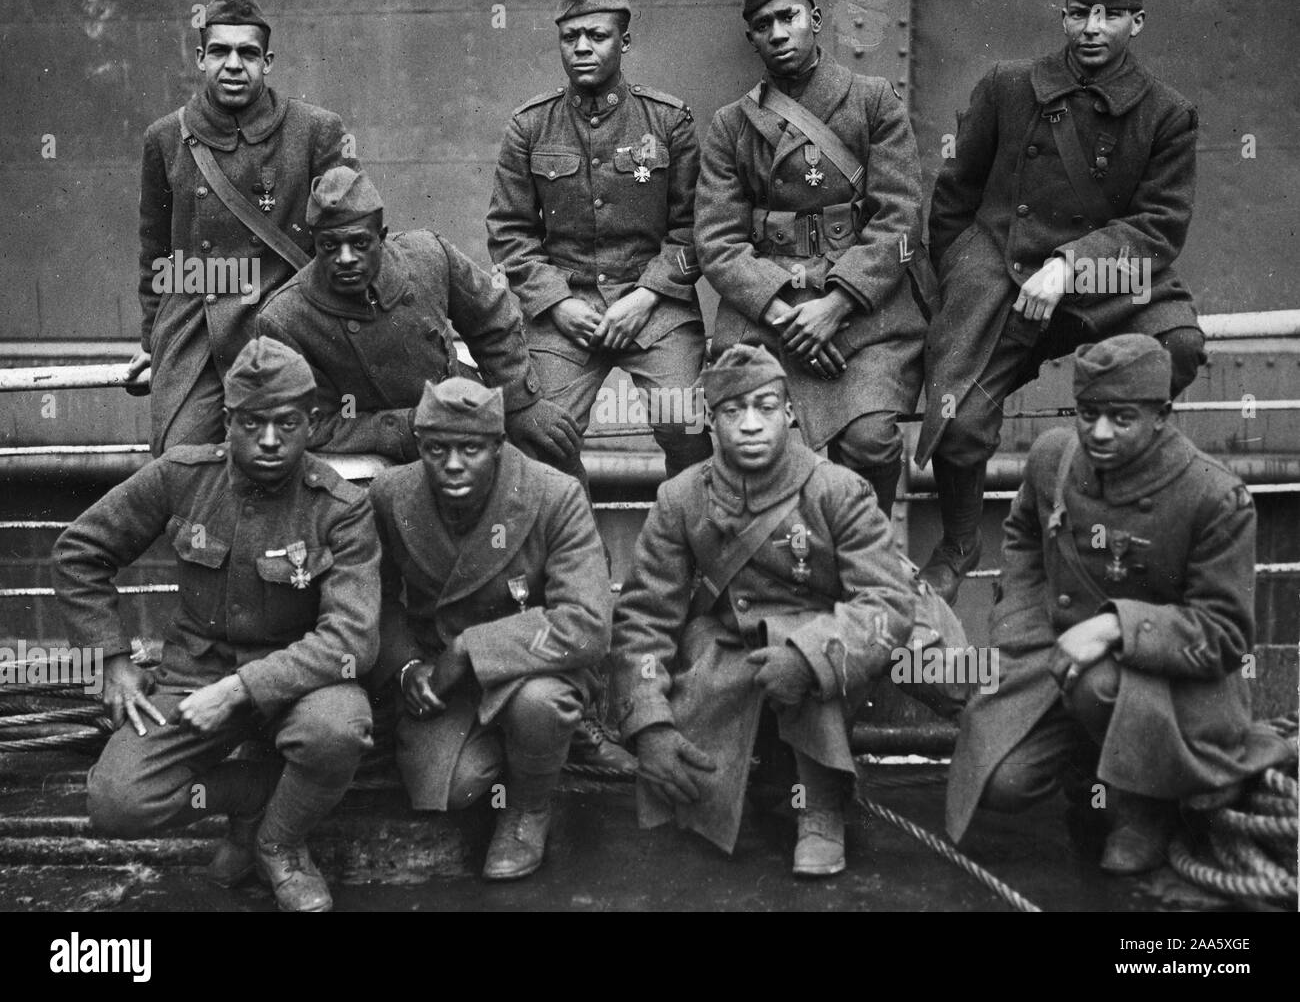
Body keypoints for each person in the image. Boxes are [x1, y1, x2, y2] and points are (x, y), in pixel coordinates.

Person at [916, 0, 1206, 602]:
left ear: (1138, 21)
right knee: (958, 420)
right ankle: (960, 540)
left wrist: (1071, 266)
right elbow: (954, 197)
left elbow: (1158, 227)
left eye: (1109, 14)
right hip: (1003, 272)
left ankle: (1098, 498)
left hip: (1104, 278)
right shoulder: (1008, 87)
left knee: (1177, 346)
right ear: (1064, 14)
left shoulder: (1166, 114)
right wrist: (965, 280)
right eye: (1080, 12)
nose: (1092, 29)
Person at [54, 337, 381, 912]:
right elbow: (80, 551)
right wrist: (114, 661)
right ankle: (254, 800)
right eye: (253, 424)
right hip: (191, 679)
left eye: (287, 423)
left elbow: (352, 640)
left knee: (337, 728)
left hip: (297, 686)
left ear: (312, 421)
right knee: (118, 803)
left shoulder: (340, 507)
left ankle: (281, 844)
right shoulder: (182, 477)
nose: (271, 440)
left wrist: (240, 690)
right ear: (228, 421)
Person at [946, 335, 1291, 872]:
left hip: (1170, 685)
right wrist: (1019, 624)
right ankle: (1094, 771)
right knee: (1001, 783)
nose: (1099, 432)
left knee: (1098, 682)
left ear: (1162, 415)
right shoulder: (1054, 458)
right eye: (1089, 414)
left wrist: (1114, 628)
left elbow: (1223, 634)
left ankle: (1145, 808)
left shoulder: (1214, 497)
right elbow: (1022, 535)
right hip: (1057, 656)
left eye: (1122, 418)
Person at [610, 345, 914, 875]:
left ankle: (821, 809)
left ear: (790, 413)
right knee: (691, 809)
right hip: (728, 647)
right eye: (733, 410)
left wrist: (810, 658)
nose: (751, 424)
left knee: (807, 648)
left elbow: (887, 602)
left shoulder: (836, 489)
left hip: (825, 641)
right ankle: (772, 779)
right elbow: (644, 618)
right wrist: (648, 722)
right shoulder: (681, 498)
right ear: (711, 418)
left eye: (766, 407)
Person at [695, 0, 933, 519]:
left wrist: (838, 304)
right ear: (751, 37)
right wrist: (782, 313)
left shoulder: (873, 101)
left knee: (870, 441)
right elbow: (716, 239)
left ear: (815, 21)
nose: (778, 33)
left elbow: (899, 219)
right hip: (769, 314)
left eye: (789, 17)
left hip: (864, 311)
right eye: (763, 24)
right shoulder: (732, 125)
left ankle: (865, 548)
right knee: (757, 447)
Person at [368, 377, 612, 879]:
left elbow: (586, 624)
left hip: (534, 667)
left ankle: (528, 808)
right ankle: (526, 750)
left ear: (499, 447)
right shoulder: (391, 494)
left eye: (471, 449)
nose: (453, 465)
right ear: (420, 446)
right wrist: (406, 665)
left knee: (539, 705)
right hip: (441, 680)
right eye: (437, 449)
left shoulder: (553, 495)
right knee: (454, 789)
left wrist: (470, 649)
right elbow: (376, 599)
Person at [487, 0, 712, 479]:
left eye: (598, 35)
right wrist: (559, 303)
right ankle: (576, 551)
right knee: (542, 435)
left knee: (686, 427)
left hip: (656, 308)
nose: (582, 48)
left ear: (624, 41)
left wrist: (647, 295)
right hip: (566, 310)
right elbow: (510, 232)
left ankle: (686, 549)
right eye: (571, 37)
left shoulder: (668, 121)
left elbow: (695, 227)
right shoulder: (529, 126)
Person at [130, 0, 356, 455]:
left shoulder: (315, 131)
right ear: (200, 58)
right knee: (181, 464)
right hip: (197, 332)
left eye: (248, 53)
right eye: (220, 51)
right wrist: (153, 341)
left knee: (285, 459)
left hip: (285, 329)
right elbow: (156, 254)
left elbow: (355, 232)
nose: (233, 65)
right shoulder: (165, 137)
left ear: (267, 61)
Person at [256, 165, 581, 475]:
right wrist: (412, 425)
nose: (345, 259)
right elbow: (313, 425)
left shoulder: (427, 254)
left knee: (553, 452)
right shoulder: (286, 319)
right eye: (329, 246)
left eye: (359, 243)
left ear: (381, 237)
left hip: (465, 410)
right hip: (385, 450)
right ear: (314, 243)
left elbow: (492, 319)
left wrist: (519, 403)